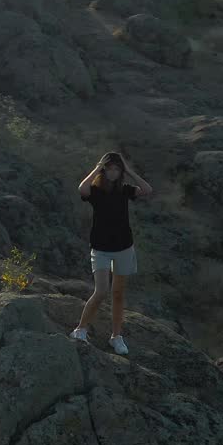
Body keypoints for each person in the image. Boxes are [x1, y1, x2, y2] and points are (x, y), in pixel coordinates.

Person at [70, 151, 152, 355]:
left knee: (118, 294)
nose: (113, 173)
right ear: (104, 170)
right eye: (110, 169)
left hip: (124, 247)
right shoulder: (96, 191)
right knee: (101, 290)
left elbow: (147, 189)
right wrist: (97, 169)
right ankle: (80, 330)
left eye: (117, 169)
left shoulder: (125, 190)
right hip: (101, 249)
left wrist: (130, 170)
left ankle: (116, 336)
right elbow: (82, 189)